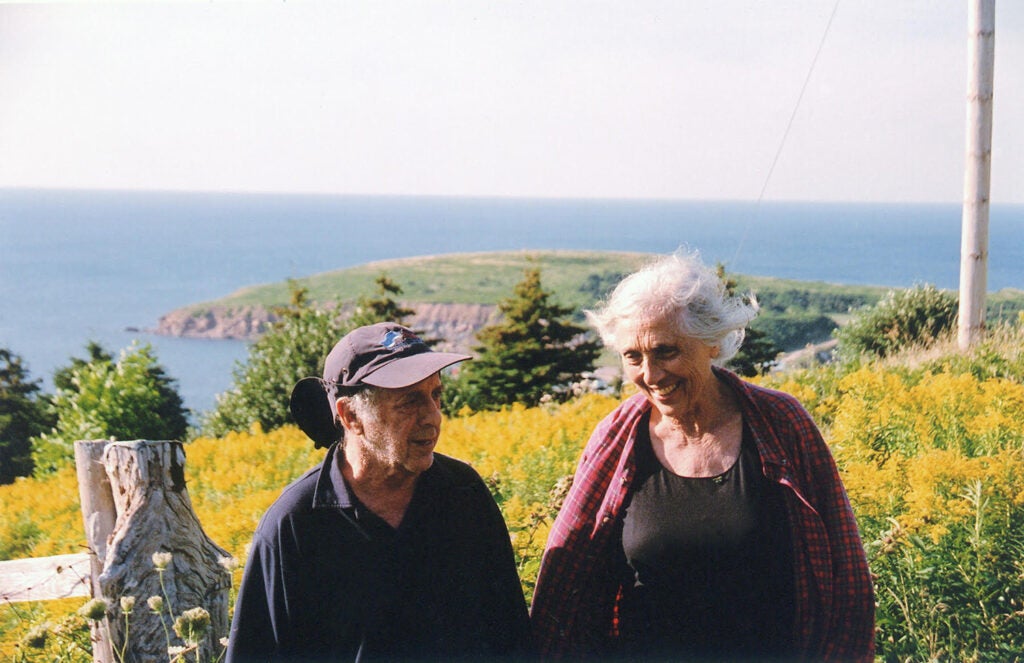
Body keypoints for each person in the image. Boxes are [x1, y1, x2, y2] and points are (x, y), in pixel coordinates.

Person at [530, 251, 874, 661]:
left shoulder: (782, 423)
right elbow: (563, 582)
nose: (651, 375)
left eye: (666, 351)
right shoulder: (616, 439)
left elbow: (847, 574)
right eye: (633, 357)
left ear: (712, 341)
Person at [227, 322, 531, 662]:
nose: (432, 417)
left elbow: (512, 636)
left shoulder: (464, 493)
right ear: (350, 416)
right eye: (409, 402)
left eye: (436, 395)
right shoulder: (294, 524)